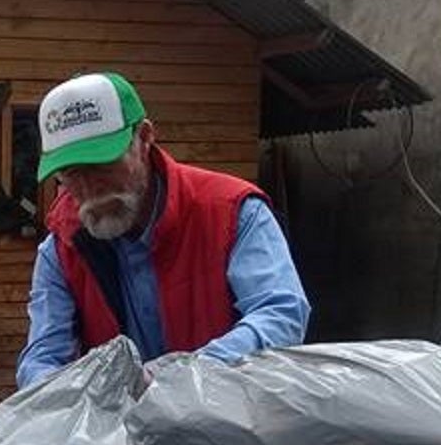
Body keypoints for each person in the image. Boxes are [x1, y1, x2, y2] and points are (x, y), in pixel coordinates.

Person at [16, 71, 310, 389]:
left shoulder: (232, 212)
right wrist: (59, 395)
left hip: (231, 421)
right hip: (117, 433)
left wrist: (179, 379)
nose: (90, 189)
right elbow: (42, 358)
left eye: (102, 165)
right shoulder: (61, 247)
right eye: (71, 174)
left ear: (143, 138)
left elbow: (281, 314)